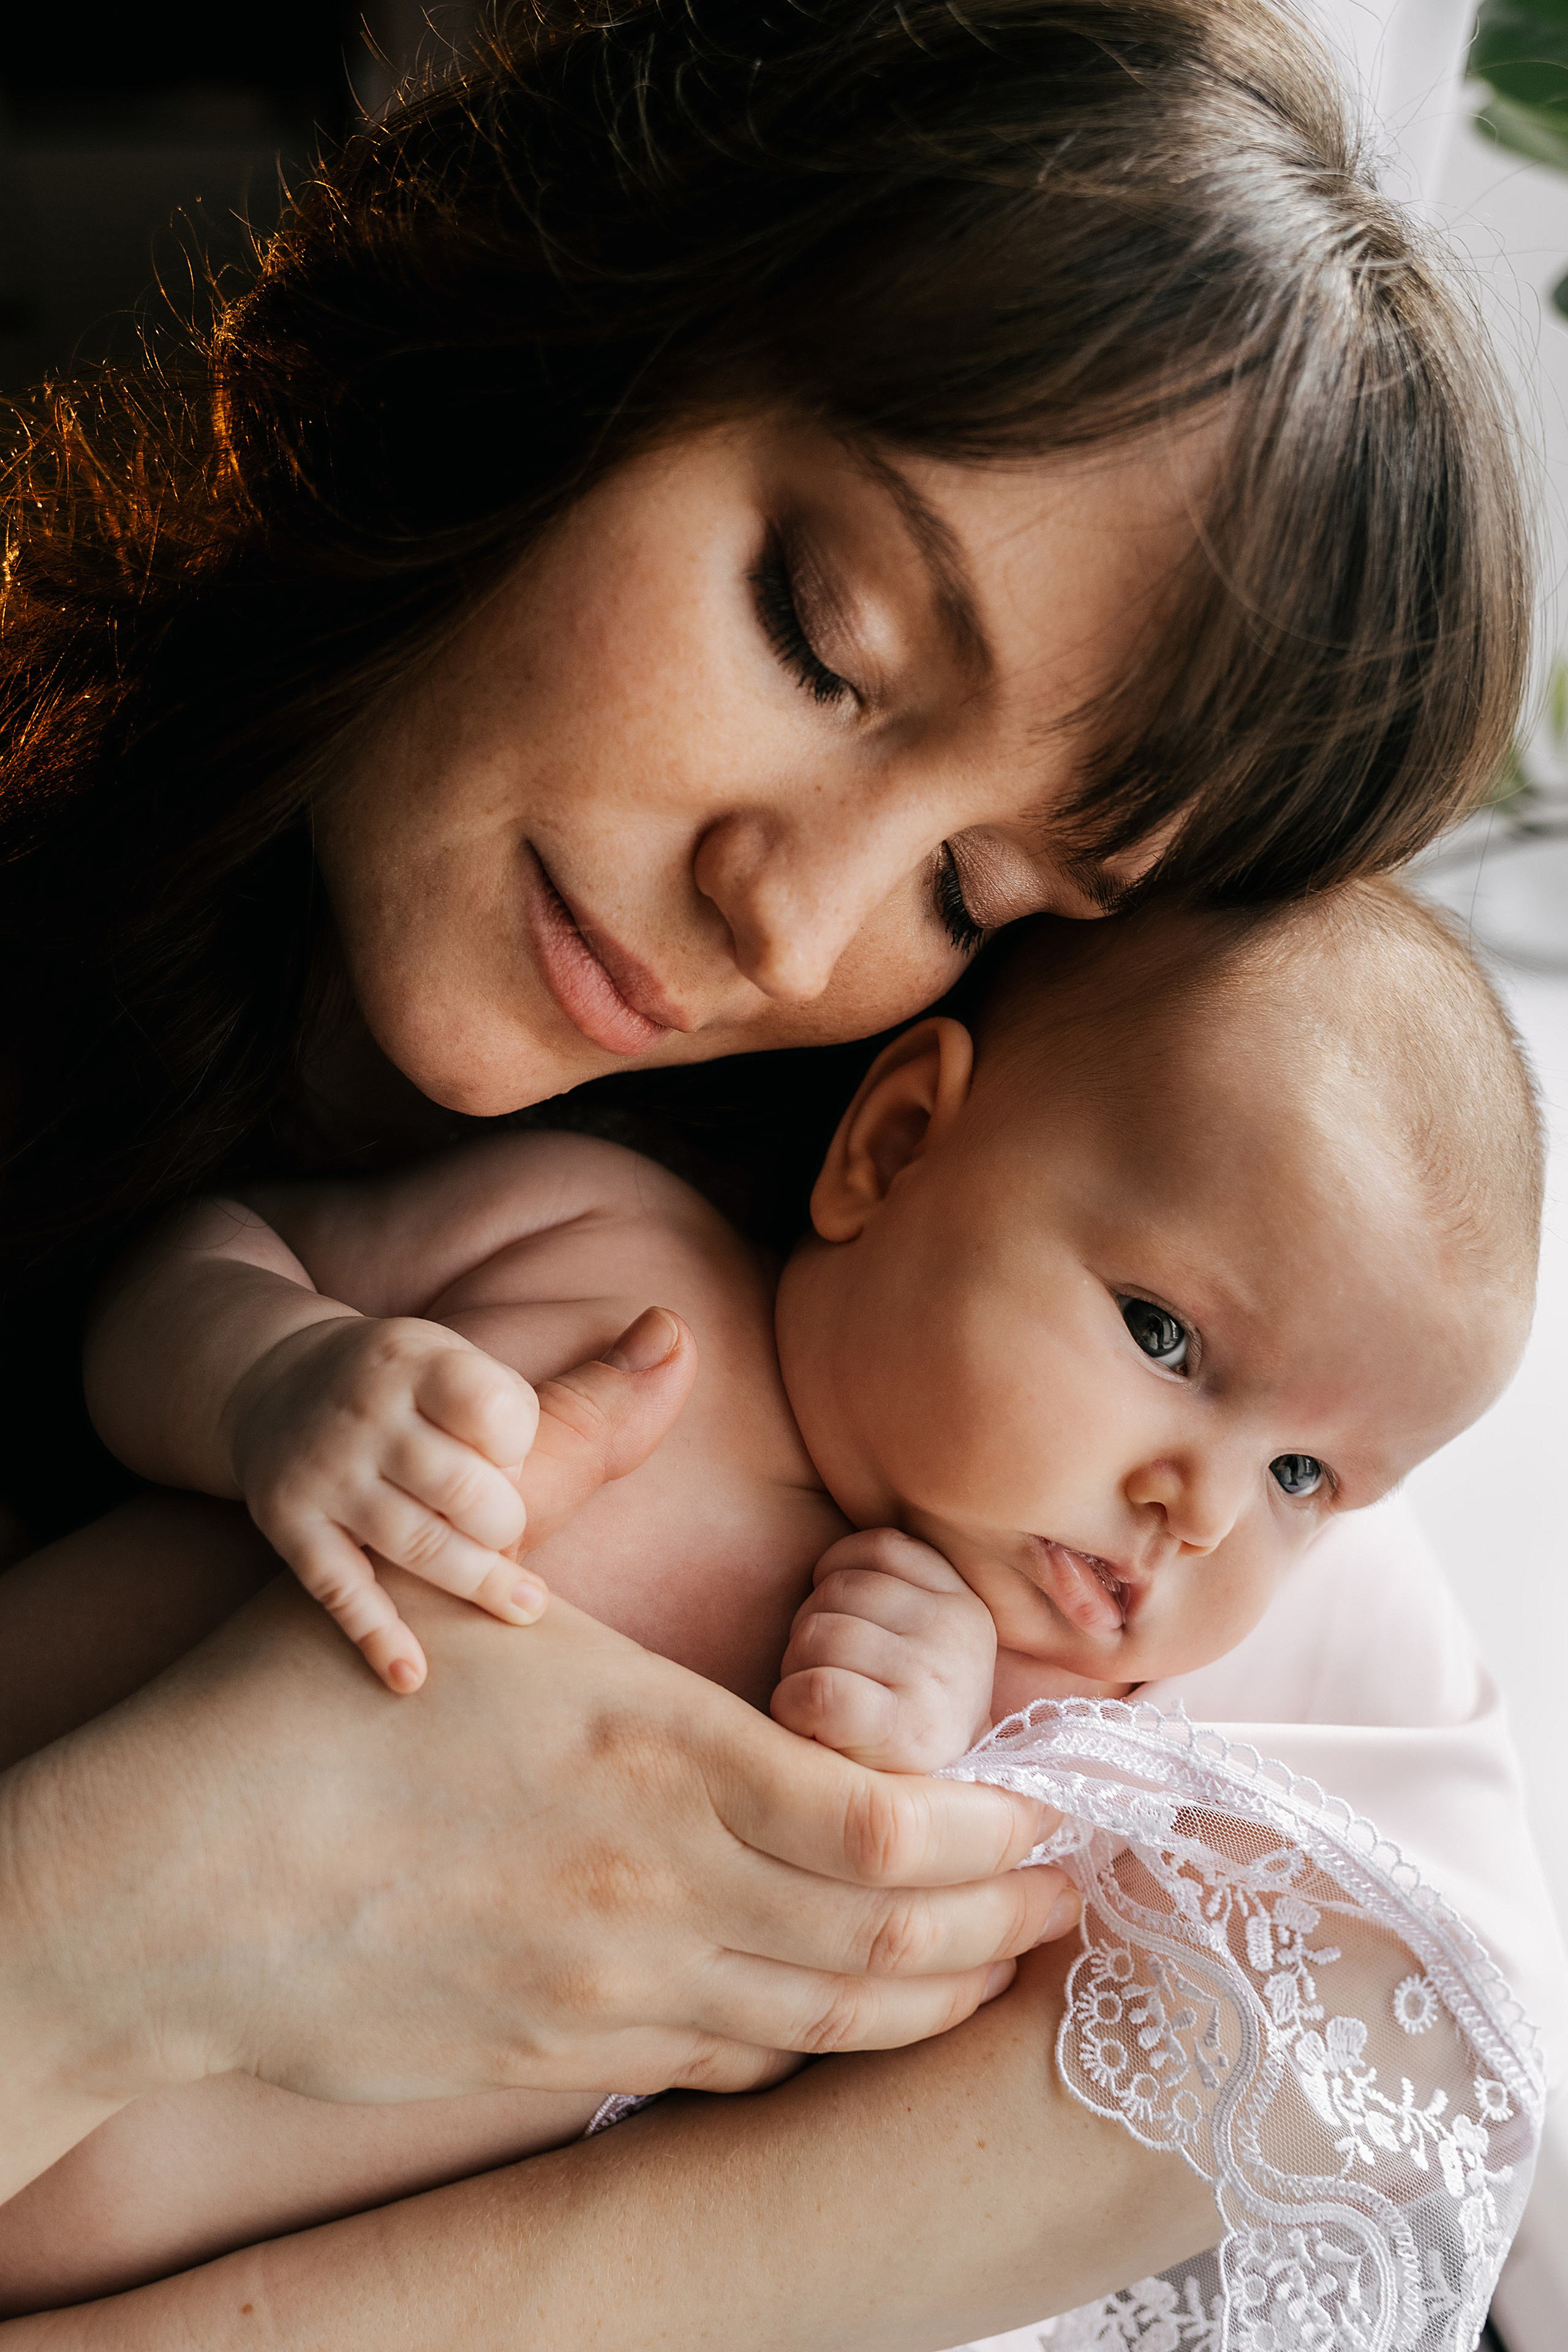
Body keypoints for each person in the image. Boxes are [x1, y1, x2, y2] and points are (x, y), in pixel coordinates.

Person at [0, 2, 1552, 2344]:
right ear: (597, 306)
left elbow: (1431, 2010)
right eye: (822, 640)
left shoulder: (1007, 1351)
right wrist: (158, 1899)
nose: (793, 915)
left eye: (983, 900)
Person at [0, 876, 1543, 2318]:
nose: (1197, 1510)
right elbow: (188, 1264)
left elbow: (796, 2160)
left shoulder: (1013, 1753)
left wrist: (909, 1772)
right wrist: (271, 1380)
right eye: (1160, 1336)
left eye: (1302, 1484)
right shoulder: (600, 1249)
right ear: (890, 1146)